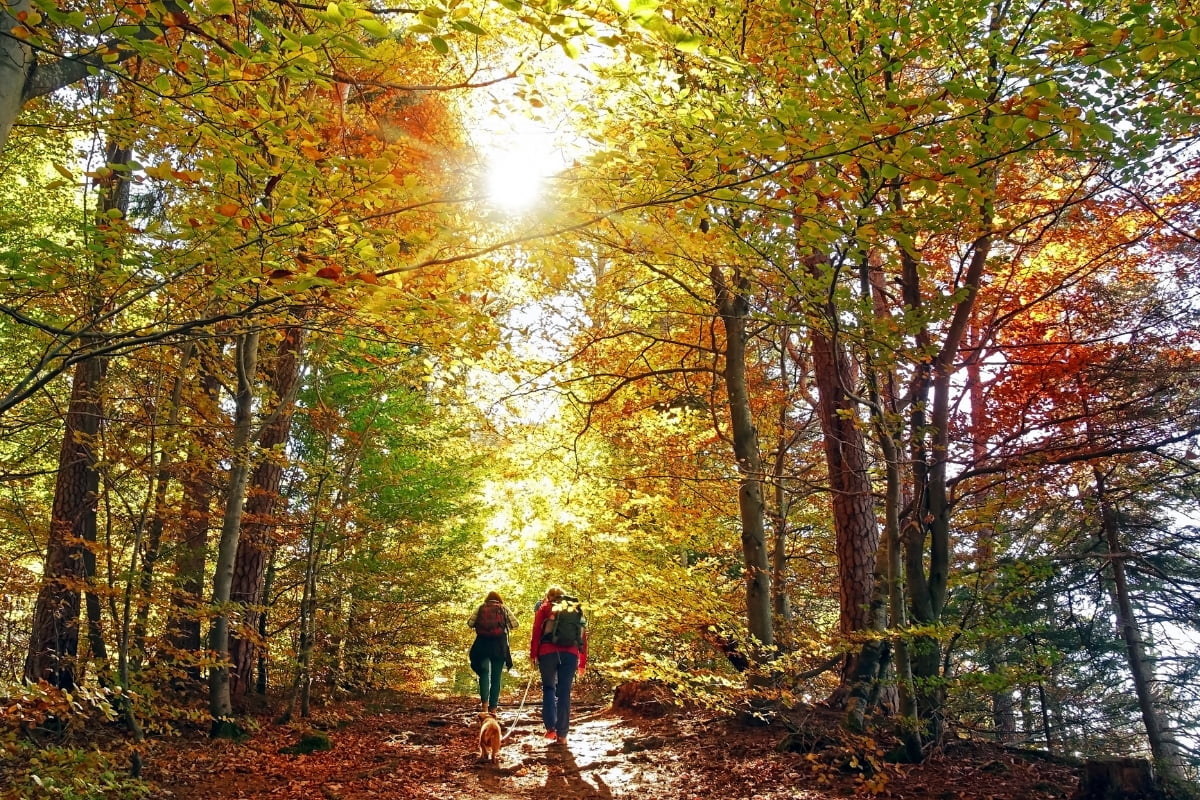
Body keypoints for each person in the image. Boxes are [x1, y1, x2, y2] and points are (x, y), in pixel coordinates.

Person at [530, 585, 587, 745]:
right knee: (564, 692)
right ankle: (563, 735)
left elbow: (536, 632)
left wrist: (533, 654)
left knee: (549, 688)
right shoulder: (574, 609)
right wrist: (582, 661)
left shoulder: (545, 608)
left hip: (547, 652)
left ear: (548, 596)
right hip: (570, 653)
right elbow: (583, 635)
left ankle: (551, 729)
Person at [468, 591, 518, 714]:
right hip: (499, 645)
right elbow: (515, 624)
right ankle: (493, 708)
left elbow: (470, 623)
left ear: (487, 599)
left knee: (484, 673)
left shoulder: (481, 607)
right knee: (496, 677)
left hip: (482, 645)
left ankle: (484, 705)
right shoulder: (503, 608)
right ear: (499, 599)